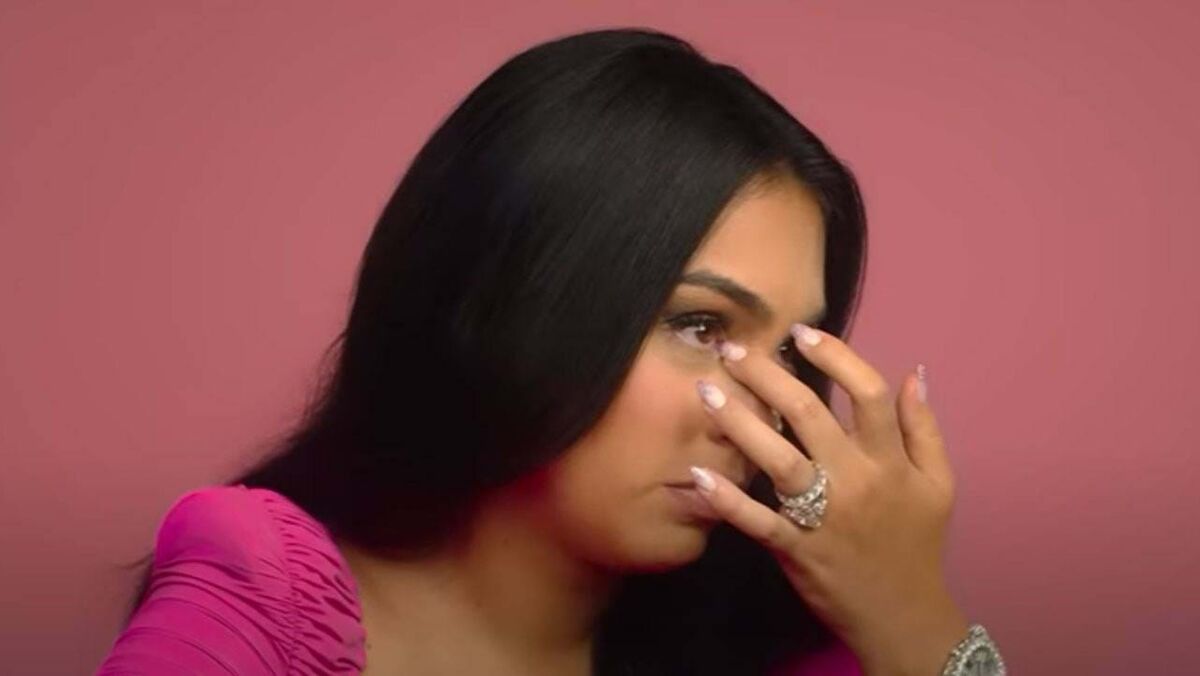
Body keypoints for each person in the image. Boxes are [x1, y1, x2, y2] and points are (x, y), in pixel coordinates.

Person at [97, 27, 1005, 675]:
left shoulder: (789, 636)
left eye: (794, 351)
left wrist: (917, 623)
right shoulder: (263, 592)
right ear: (506, 303)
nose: (763, 413)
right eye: (701, 327)